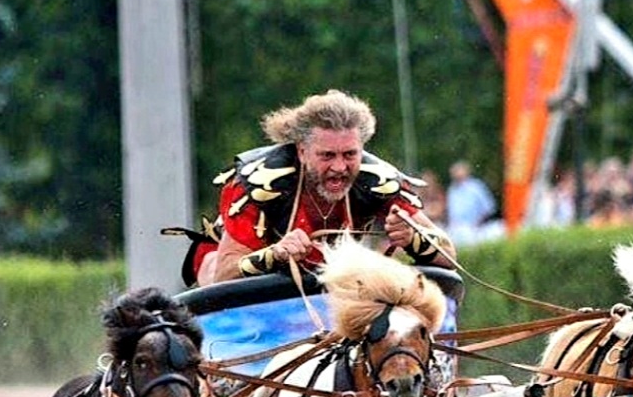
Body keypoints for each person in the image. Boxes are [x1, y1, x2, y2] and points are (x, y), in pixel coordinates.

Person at [187, 89, 455, 286]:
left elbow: (449, 255)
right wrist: (274, 254)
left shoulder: (379, 181)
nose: (339, 167)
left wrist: (414, 238)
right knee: (211, 269)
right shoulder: (257, 183)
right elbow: (223, 276)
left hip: (326, 278)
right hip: (233, 268)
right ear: (302, 152)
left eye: (350, 154)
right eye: (327, 155)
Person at [445, 159, 500, 246]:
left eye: (459, 170)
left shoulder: (476, 187)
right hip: (457, 230)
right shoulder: (452, 190)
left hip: (475, 229)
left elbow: (488, 208)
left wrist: (477, 224)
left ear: (466, 171)